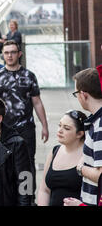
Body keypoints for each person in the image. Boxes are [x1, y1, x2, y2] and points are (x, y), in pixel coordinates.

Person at [0, 40, 49, 201]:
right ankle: (9, 198)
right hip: (3, 129)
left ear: (19, 54)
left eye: (13, 52)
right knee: (3, 164)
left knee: (27, 165)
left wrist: (44, 126)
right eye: (6, 52)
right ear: (3, 55)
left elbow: (37, 102)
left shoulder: (29, 76)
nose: (9, 55)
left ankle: (27, 199)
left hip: (26, 127)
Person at [67, 67, 102, 206]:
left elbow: (100, 176)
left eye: (76, 94)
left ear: (84, 94)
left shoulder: (100, 126)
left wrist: (80, 168)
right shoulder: (95, 122)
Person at [38, 110, 86, 206]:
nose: (60, 130)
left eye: (66, 128)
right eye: (59, 125)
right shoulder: (54, 152)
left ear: (79, 134)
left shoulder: (87, 156)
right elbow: (44, 190)